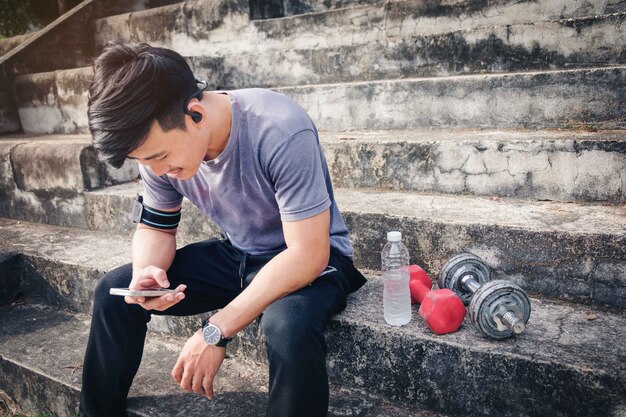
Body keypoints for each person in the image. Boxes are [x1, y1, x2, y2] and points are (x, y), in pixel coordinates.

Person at [80, 42, 367, 417]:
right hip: (239, 255)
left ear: (194, 114)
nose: (156, 170)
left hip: (312, 262)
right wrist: (149, 273)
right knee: (115, 292)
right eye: (144, 161)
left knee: (286, 325)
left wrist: (214, 330)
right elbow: (158, 228)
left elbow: (308, 254)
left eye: (159, 157)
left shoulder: (278, 128)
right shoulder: (159, 152)